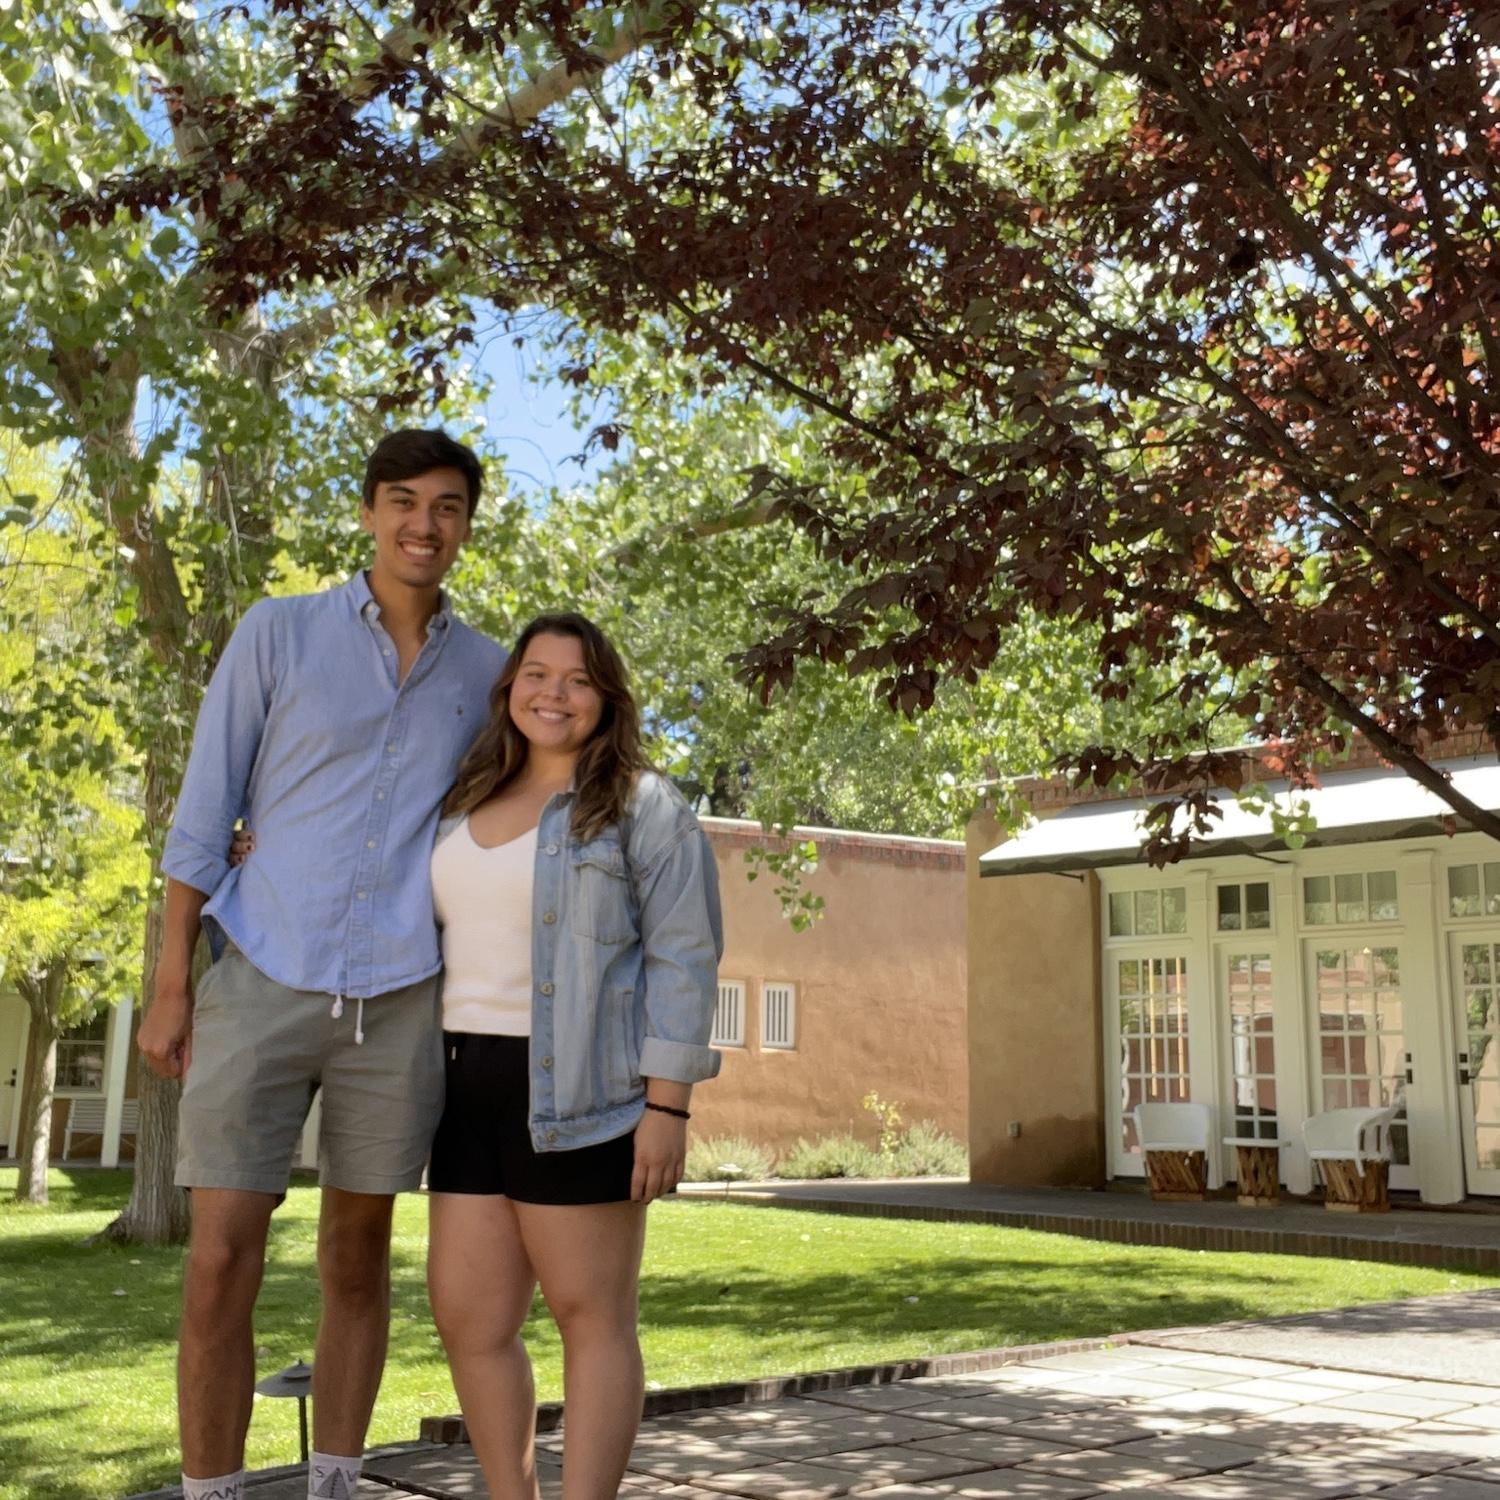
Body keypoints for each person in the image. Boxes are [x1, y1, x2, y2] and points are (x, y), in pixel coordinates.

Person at [137, 429, 507, 1500]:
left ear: (466, 526)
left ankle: (335, 1483)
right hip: (259, 971)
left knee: (357, 1255)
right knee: (220, 1260)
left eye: (446, 506)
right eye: (404, 501)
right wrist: (171, 984)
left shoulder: (489, 673)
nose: (423, 524)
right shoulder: (279, 632)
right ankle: (212, 1492)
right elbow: (205, 810)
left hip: (398, 995)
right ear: (368, 512)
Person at [423, 611, 722, 1500]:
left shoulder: (642, 806)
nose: (554, 693)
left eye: (578, 679)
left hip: (583, 1092)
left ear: (607, 698)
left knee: (592, 1320)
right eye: (538, 674)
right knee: (470, 1321)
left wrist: (667, 1106)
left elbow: (684, 958)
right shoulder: (462, 795)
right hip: (462, 1087)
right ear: (510, 686)